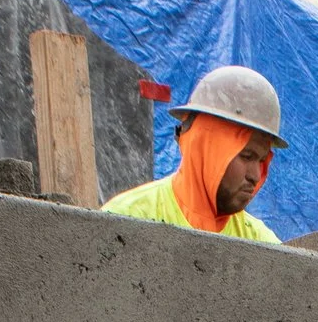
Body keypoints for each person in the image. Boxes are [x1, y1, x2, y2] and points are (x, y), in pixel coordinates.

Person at [101, 66, 284, 242]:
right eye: (246, 156)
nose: (255, 175)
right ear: (205, 148)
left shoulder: (262, 245)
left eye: (261, 161)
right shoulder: (126, 221)